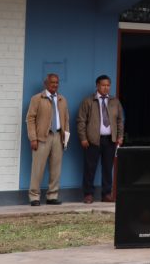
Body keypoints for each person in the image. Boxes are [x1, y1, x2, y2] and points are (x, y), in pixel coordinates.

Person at [77, 74, 124, 204]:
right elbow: (81, 121)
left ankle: (106, 194)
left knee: (108, 168)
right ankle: (88, 194)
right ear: (97, 86)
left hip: (110, 140)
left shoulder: (115, 101)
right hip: (92, 140)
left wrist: (120, 136)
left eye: (108, 85)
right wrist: (83, 138)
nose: (106, 88)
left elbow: (120, 120)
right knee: (90, 168)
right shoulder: (88, 101)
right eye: (103, 85)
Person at [25, 73, 68, 206]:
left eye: (57, 82)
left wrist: (65, 138)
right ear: (46, 84)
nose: (55, 85)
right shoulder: (37, 98)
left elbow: (66, 119)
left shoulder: (62, 99)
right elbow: (30, 119)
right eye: (52, 82)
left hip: (58, 136)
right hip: (42, 137)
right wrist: (33, 138)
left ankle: (52, 196)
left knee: (56, 168)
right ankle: (34, 197)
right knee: (37, 168)